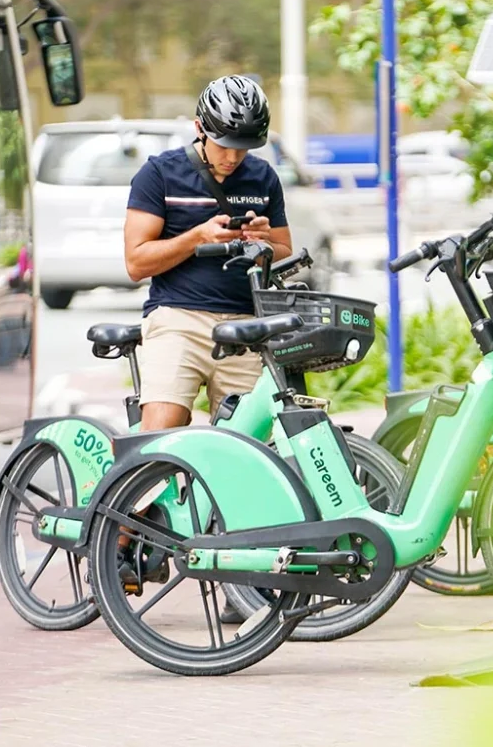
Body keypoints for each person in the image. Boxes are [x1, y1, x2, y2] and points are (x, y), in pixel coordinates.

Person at [120, 74, 293, 618]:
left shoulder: (263, 176)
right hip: (179, 318)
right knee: (163, 433)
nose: (234, 158)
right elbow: (135, 262)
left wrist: (263, 239)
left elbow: (286, 252)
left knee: (253, 453)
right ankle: (120, 544)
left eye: (244, 148)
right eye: (224, 145)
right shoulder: (158, 174)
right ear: (200, 128)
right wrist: (197, 237)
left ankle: (239, 584)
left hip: (245, 325)